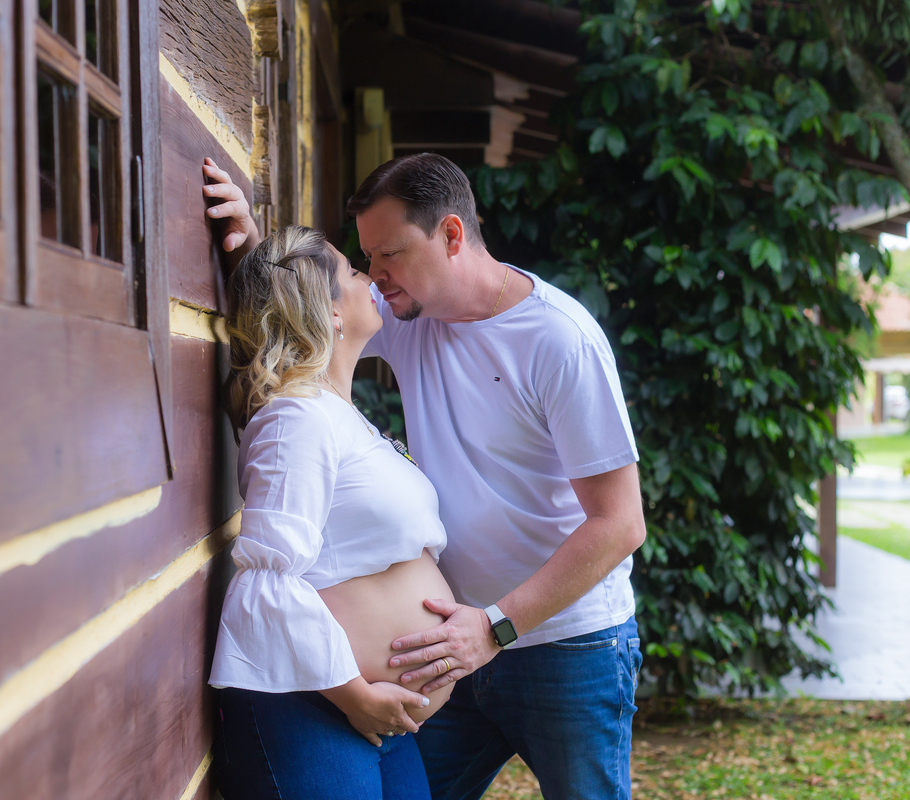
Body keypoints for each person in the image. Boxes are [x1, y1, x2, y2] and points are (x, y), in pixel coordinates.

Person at [204, 152, 647, 800]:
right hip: (446, 649)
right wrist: (249, 246)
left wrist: (494, 627)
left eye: (389, 254)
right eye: (366, 259)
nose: (376, 276)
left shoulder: (559, 340)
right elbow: (303, 310)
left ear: (452, 235)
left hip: (563, 643)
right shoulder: (408, 315)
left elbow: (621, 523)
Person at [206, 221, 458, 800]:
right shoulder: (295, 419)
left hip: (371, 714)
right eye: (352, 270)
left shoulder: (336, 414)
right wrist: (355, 695)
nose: (368, 277)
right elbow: (269, 579)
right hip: (313, 705)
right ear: (330, 310)